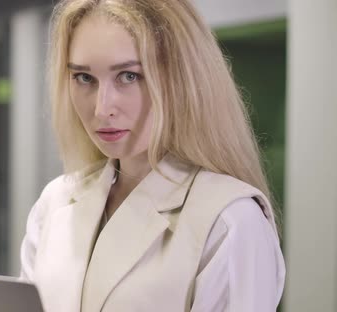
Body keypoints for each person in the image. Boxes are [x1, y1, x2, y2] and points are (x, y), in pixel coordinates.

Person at [18, 0, 286, 311]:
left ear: (183, 80)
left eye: (129, 76)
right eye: (84, 78)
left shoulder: (229, 221)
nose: (102, 108)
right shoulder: (55, 201)